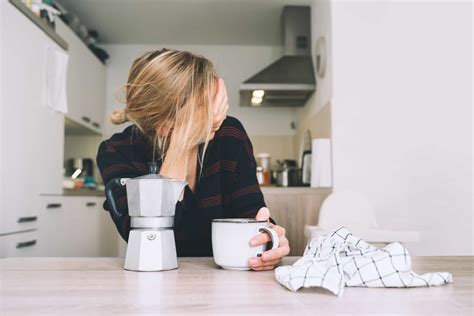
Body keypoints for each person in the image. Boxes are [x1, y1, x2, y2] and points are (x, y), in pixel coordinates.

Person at [96, 48, 289, 271]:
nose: (217, 113)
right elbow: (147, 236)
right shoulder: (116, 151)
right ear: (164, 125)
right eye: (204, 105)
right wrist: (183, 144)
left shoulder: (229, 134)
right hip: (153, 277)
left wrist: (268, 243)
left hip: (225, 279)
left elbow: (251, 216)